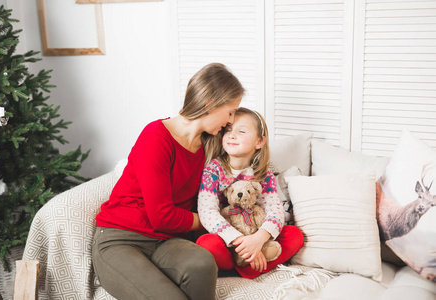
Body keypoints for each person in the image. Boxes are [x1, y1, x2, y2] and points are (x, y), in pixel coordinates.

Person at [92, 63, 245, 300]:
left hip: (167, 241)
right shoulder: (156, 138)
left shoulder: (209, 145)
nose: (230, 121)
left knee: (202, 263)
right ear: (210, 104)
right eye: (230, 112)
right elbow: (162, 216)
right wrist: (215, 220)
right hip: (122, 239)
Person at [197, 107, 304, 279]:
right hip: (229, 240)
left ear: (259, 142)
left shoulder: (263, 173)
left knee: (294, 235)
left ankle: (245, 269)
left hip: (257, 237)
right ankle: (249, 265)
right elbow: (207, 211)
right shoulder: (214, 169)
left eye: (241, 131)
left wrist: (258, 240)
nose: (232, 135)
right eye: (228, 130)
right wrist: (240, 241)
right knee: (205, 244)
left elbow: (274, 210)